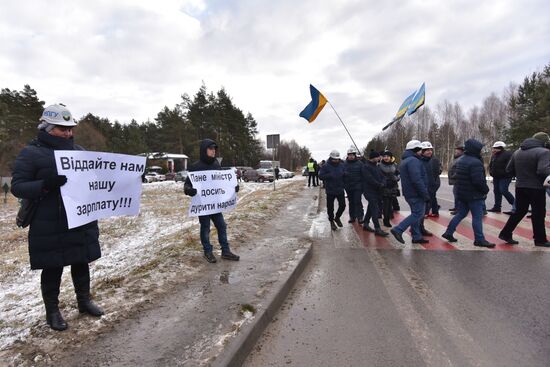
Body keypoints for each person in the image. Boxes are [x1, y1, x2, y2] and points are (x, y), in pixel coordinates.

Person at [11, 104, 104, 331]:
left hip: (79, 219)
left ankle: (84, 301)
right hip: (50, 222)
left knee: (81, 260)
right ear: (48, 128)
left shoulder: (80, 152)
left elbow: (98, 178)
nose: (68, 133)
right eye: (63, 129)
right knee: (52, 267)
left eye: (70, 128)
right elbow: (18, 187)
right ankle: (52, 311)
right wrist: (45, 184)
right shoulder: (30, 153)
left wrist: (127, 177)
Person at [184, 139, 241, 262]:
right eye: (211, 149)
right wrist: (190, 190)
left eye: (214, 149)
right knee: (205, 228)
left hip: (215, 205)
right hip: (203, 205)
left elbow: (222, 184)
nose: (213, 151)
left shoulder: (216, 165)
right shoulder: (195, 167)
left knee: (221, 226)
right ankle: (208, 252)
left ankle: (225, 251)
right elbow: (186, 186)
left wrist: (233, 187)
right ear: (204, 150)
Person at [498, 132, 550, 247]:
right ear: (544, 142)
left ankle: (505, 233)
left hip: (520, 186)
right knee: (539, 213)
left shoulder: (518, 152)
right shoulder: (544, 152)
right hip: (536, 187)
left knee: (519, 211)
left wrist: (521, 176)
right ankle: (540, 239)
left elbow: (508, 169)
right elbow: (543, 170)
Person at [442, 139, 495, 248]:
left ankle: (448, 232)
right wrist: (485, 190)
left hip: (463, 193)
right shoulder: (475, 162)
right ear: (475, 150)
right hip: (474, 195)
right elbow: (478, 181)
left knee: (461, 214)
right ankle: (479, 239)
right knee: (477, 217)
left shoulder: (462, 160)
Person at [390, 140, 430, 245]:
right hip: (416, 193)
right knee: (418, 214)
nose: (422, 151)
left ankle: (416, 236)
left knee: (415, 214)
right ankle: (398, 229)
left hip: (410, 193)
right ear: (416, 150)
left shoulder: (406, 160)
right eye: (420, 149)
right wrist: (425, 194)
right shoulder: (413, 161)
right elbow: (417, 180)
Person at [361, 150, 389, 236]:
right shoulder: (366, 167)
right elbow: (369, 179)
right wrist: (379, 185)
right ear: (373, 158)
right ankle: (377, 228)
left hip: (377, 191)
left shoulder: (376, 166)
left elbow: (383, 176)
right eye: (377, 157)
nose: (379, 158)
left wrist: (384, 183)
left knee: (371, 207)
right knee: (375, 209)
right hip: (369, 191)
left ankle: (365, 223)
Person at [319, 150, 346, 230]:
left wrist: (345, 175)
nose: (336, 160)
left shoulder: (342, 165)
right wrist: (330, 175)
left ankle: (337, 217)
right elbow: (321, 176)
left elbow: (345, 173)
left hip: (340, 189)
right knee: (330, 207)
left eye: (337, 159)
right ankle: (331, 221)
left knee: (342, 206)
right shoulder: (325, 166)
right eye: (334, 159)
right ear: (331, 158)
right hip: (330, 190)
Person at [487, 141, 515, 214]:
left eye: (495, 148)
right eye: (494, 148)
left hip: (505, 177)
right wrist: (491, 172)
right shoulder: (494, 155)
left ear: (500, 148)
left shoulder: (508, 154)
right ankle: (497, 207)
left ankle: (516, 205)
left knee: (503, 190)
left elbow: (510, 165)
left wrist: (507, 173)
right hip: (496, 177)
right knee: (496, 191)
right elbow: (491, 165)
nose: (494, 149)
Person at [343, 146, 364, 224]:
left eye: (352, 155)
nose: (351, 156)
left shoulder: (360, 164)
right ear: (347, 155)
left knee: (357, 201)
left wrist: (362, 186)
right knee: (351, 202)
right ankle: (352, 216)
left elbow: (363, 174)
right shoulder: (344, 164)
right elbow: (342, 175)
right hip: (348, 186)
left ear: (355, 155)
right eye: (349, 155)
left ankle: (360, 217)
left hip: (358, 186)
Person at [379, 150, 400, 228]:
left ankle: (388, 216)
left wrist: (395, 178)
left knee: (390, 203)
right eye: (384, 156)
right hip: (384, 187)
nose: (386, 158)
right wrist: (384, 182)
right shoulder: (379, 165)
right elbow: (378, 176)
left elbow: (398, 175)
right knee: (386, 204)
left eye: (387, 156)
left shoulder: (395, 165)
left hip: (393, 187)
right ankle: (386, 220)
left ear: (391, 157)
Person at [421, 141, 442, 217]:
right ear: (422, 151)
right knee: (431, 196)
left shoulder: (434, 160)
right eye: (427, 150)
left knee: (429, 196)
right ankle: (435, 211)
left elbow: (438, 170)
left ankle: (427, 212)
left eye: (430, 150)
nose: (429, 152)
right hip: (426, 182)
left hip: (433, 182)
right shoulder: (420, 160)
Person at [448, 144, 465, 215]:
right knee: (456, 194)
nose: (456, 151)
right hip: (456, 180)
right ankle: (456, 207)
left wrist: (454, 176)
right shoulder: (456, 158)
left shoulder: (461, 159)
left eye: (458, 150)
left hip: (458, 180)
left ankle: (458, 209)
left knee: (458, 195)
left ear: (462, 151)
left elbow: (459, 170)